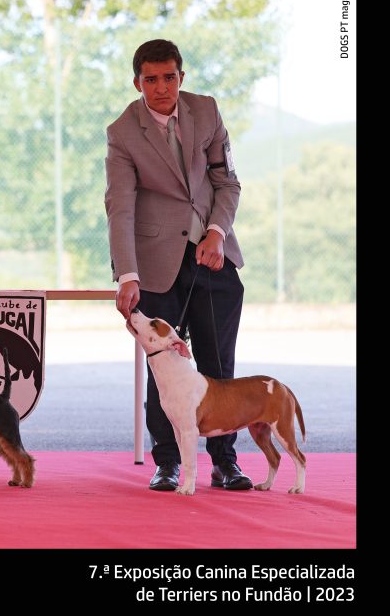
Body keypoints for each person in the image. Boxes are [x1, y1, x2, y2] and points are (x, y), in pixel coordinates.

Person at [105, 39, 250, 492]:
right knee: (164, 367)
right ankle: (167, 462)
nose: (162, 87)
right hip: (155, 263)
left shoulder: (206, 111)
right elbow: (120, 207)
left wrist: (216, 232)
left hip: (212, 255)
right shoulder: (123, 131)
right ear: (137, 82)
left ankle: (225, 462)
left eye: (170, 77)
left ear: (181, 77)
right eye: (151, 79)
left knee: (218, 365)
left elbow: (227, 182)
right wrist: (127, 275)